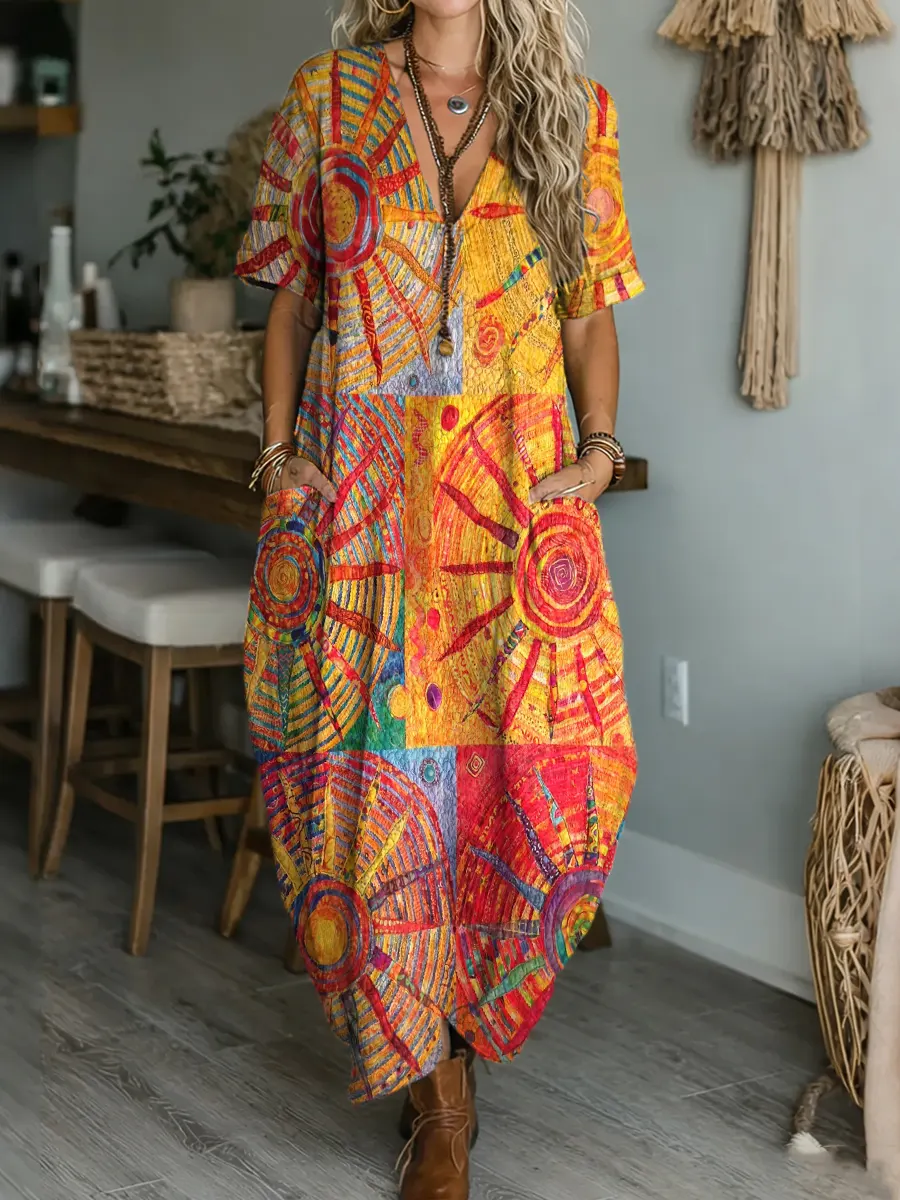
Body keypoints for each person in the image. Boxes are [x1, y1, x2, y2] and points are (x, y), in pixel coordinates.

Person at [237, 1, 643, 1195]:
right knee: (389, 794)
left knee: (534, 777)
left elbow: (588, 313)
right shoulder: (327, 100)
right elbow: (291, 299)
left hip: (511, 511)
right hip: (370, 514)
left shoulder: (576, 112)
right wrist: (279, 453)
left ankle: (462, 1045)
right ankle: (439, 1104)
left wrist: (601, 447)